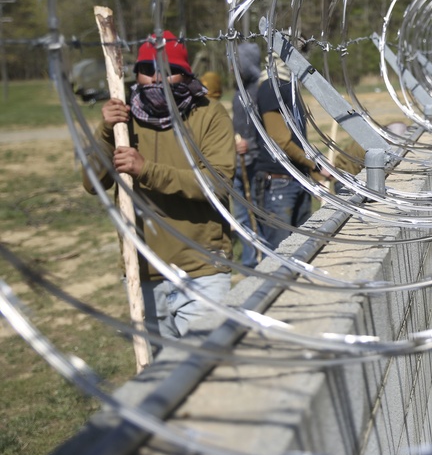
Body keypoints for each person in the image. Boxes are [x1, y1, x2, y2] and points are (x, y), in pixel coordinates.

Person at [84, 31, 235, 339]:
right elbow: (91, 182)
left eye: (169, 71)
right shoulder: (122, 120)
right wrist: (105, 131)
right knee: (162, 380)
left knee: (207, 374)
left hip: (201, 269)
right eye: (148, 69)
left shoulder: (207, 114)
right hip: (144, 272)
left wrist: (146, 170)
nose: (156, 79)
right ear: (136, 73)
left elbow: (218, 184)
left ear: (185, 73)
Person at [254, 55, 330, 251]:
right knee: (281, 253)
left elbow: (297, 141)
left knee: (301, 250)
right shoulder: (271, 86)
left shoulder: (287, 86)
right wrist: (316, 165)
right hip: (278, 184)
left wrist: (314, 174)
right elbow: (280, 140)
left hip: (296, 179)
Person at [231, 41, 262, 266]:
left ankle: (262, 258)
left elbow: (265, 132)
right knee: (242, 216)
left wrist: (249, 145)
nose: (233, 69)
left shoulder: (259, 92)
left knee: (258, 213)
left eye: (237, 64)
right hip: (239, 163)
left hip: (256, 164)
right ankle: (250, 261)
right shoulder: (237, 94)